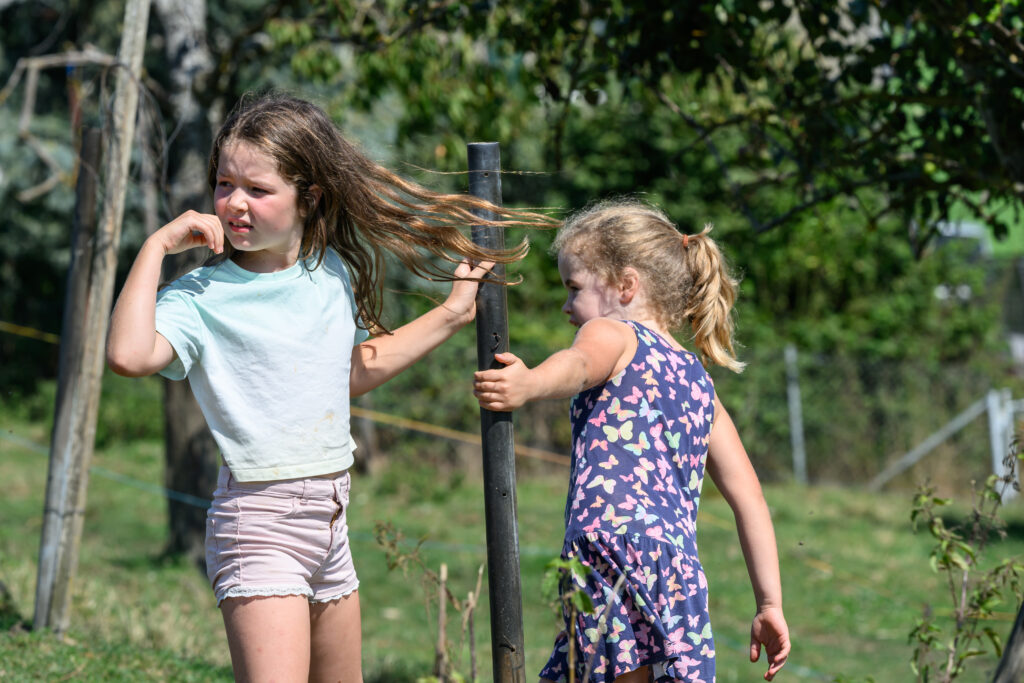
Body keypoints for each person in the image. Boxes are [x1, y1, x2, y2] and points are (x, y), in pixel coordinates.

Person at [106, 92, 550, 682]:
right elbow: (128, 355)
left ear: (308, 197)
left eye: (257, 190)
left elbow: (343, 375)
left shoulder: (329, 272)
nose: (234, 203)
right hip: (259, 523)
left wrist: (451, 313)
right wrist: (156, 247)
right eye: (224, 184)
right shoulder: (200, 298)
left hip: (331, 522)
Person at [473, 200, 791, 683]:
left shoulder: (613, 333)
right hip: (678, 574)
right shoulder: (699, 382)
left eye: (573, 288)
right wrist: (770, 602)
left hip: (612, 549)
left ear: (625, 285)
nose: (566, 307)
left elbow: (579, 366)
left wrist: (530, 383)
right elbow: (750, 499)